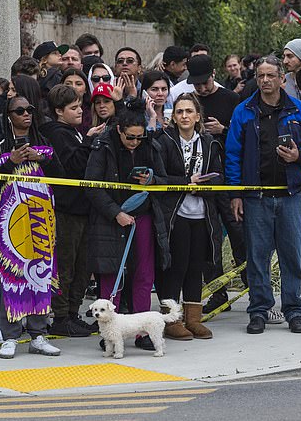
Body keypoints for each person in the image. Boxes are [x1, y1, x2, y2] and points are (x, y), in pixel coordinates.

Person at [226, 55, 301, 334]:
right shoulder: (243, 111)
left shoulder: (299, 110)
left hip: (291, 195)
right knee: (257, 257)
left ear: (282, 78)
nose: (265, 80)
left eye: (270, 75)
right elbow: (233, 154)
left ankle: (294, 310)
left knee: (291, 254)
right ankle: (259, 310)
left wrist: (300, 155)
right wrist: (235, 194)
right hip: (256, 197)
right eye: (260, 76)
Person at [0, 94, 64, 359]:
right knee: (13, 277)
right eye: (19, 111)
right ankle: (10, 336)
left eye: (30, 109)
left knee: (40, 274)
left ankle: (39, 335)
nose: (26, 114)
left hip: (40, 217)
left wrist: (42, 159)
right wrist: (11, 162)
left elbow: (64, 177)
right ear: (9, 115)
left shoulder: (44, 142)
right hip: (10, 223)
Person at [85, 105, 170, 351]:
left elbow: (164, 181)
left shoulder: (150, 146)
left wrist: (152, 180)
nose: (134, 142)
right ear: (119, 130)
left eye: (139, 137)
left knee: (144, 274)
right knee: (112, 272)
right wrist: (115, 213)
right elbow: (91, 186)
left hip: (142, 216)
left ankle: (143, 332)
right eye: (130, 137)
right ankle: (109, 334)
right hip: (110, 217)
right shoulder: (102, 146)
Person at [155, 93, 223, 340]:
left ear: (198, 116)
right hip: (175, 214)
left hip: (203, 213)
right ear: (173, 117)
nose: (184, 116)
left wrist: (202, 186)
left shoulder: (209, 142)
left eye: (188, 111)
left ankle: (193, 319)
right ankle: (171, 320)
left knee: (196, 267)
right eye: (179, 112)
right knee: (177, 267)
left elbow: (219, 176)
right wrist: (186, 182)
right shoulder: (163, 141)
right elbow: (158, 178)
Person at [187, 56, 244, 313]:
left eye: (204, 82)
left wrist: (224, 129)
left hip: (228, 176)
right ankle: (216, 291)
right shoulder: (191, 102)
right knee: (209, 240)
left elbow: (245, 134)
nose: (200, 88)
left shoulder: (231, 99)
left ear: (213, 75)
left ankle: (251, 285)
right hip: (203, 178)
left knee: (239, 234)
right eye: (196, 84)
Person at [42, 85, 96, 337]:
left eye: (80, 106)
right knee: (64, 265)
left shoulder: (73, 132)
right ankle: (61, 316)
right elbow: (73, 166)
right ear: (58, 111)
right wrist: (88, 141)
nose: (80, 112)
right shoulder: (56, 133)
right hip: (65, 209)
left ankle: (73, 312)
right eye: (73, 108)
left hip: (82, 207)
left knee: (82, 266)